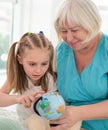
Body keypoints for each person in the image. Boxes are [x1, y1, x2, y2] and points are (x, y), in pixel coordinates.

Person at [50, 0, 108, 130]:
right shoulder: (61, 50)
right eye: (63, 31)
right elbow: (57, 88)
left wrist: (79, 113)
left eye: (74, 30)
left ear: (91, 24)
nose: (69, 38)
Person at [0, 32, 57, 130]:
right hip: (26, 126)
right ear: (20, 60)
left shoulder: (51, 79)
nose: (38, 70)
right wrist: (18, 99)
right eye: (32, 64)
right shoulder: (17, 77)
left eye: (44, 64)